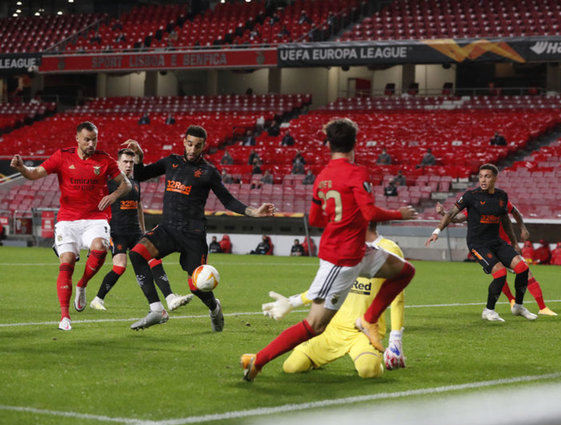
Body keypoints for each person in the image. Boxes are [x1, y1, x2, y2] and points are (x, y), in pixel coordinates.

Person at [241, 117, 417, 381]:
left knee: (405, 271)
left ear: (328, 145)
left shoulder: (323, 177)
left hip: (357, 250)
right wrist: (399, 214)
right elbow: (369, 212)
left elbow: (315, 219)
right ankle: (258, 360)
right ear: (355, 144)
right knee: (315, 325)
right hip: (341, 259)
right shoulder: (357, 172)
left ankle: (368, 319)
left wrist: (339, 220)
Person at [124, 125, 275, 331]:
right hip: (168, 228)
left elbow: (228, 201)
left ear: (204, 146)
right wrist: (139, 157)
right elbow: (140, 175)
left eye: (198, 145)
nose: (193, 149)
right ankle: (157, 310)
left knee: (196, 286)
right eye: (190, 144)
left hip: (192, 235)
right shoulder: (171, 162)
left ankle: (214, 307)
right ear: (184, 142)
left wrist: (254, 212)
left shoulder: (208, 172)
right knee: (136, 254)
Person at [10, 122, 132, 331]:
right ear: (77, 139)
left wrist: (113, 196)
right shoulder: (62, 156)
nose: (91, 144)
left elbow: (126, 184)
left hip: (95, 218)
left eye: (94, 139)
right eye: (87, 140)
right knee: (66, 261)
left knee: (100, 247)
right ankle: (65, 316)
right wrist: (21, 168)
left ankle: (82, 284)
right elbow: (35, 172)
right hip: (68, 219)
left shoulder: (104, 160)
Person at [262, 222, 407, 378]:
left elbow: (397, 297)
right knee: (291, 367)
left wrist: (395, 338)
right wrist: (293, 302)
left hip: (363, 333)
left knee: (369, 371)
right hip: (332, 328)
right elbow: (326, 285)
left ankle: (373, 359)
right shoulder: (345, 246)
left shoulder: (390, 249)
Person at [427, 164, 537, 322]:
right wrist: (437, 231)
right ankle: (489, 310)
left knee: (523, 268)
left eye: (487, 176)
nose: (483, 180)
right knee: (500, 273)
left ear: (495, 178)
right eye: (481, 176)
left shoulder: (502, 196)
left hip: (496, 242)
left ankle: (518, 307)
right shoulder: (471, 196)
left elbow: (506, 221)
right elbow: (452, 214)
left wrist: (514, 242)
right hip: (478, 244)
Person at [90, 148, 192, 312]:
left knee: (154, 259)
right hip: (117, 232)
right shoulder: (109, 184)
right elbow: (96, 208)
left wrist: (144, 231)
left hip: (136, 232)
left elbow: (138, 207)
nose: (129, 165)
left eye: (131, 162)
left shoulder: (135, 183)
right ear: (117, 163)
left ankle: (170, 298)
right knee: (120, 267)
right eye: (125, 162)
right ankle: (97, 299)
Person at [436, 200, 556, 316]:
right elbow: (458, 218)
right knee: (500, 274)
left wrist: (522, 229)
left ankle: (542, 307)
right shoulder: (477, 205)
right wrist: (444, 213)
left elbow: (515, 213)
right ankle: (511, 300)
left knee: (525, 271)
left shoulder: (502, 201)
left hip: (504, 245)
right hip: (487, 248)